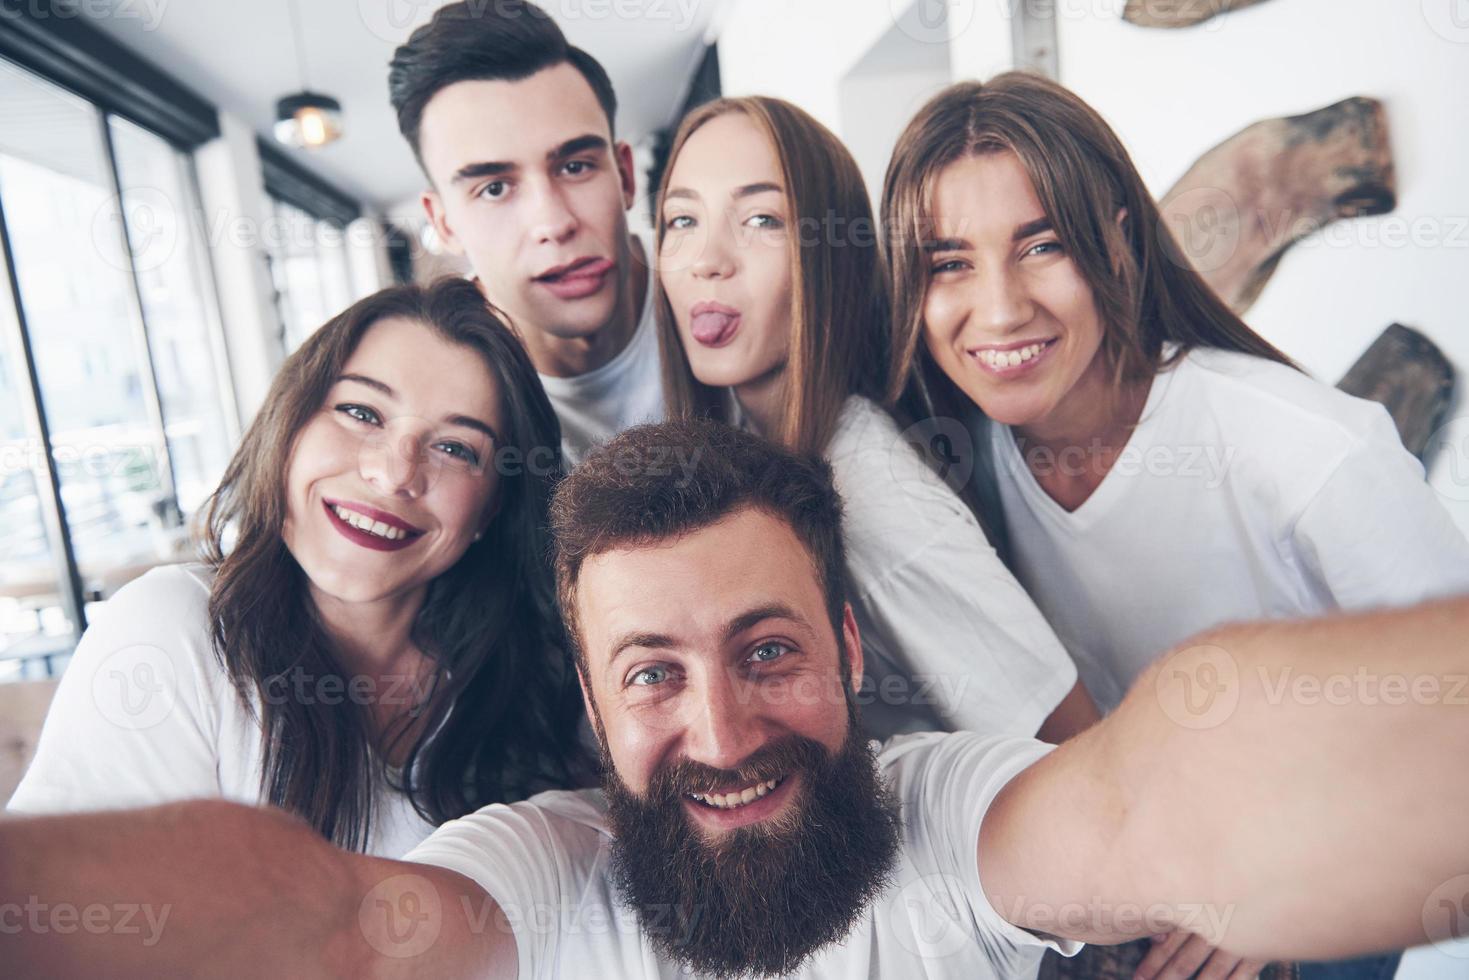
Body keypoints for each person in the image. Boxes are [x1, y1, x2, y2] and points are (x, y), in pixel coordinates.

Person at [5, 419, 1468, 980]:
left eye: (766, 652)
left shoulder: (936, 813)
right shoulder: (552, 871)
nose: (718, 735)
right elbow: (344, 930)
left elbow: (1160, 791)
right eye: (653, 674)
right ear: (589, 701)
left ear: (843, 642)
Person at [881, 71, 1469, 980]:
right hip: (1135, 890)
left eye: (1039, 247)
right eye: (948, 263)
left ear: (1117, 243)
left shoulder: (1307, 452)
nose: (996, 309)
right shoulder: (955, 464)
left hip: (1312, 888)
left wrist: (1271, 883)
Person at [6, 279, 587, 856]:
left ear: (492, 508)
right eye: (361, 412)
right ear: (289, 428)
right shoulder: (171, 632)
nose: (394, 473)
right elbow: (50, 923)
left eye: (457, 448)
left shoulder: (535, 674)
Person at [654, 95, 1097, 743]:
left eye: (760, 219)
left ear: (831, 256)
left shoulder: (869, 487)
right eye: (682, 219)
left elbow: (1069, 744)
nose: (707, 260)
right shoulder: (756, 445)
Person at [389, 0, 663, 466]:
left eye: (576, 167)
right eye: (494, 188)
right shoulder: (441, 396)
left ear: (625, 176)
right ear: (444, 224)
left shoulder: (721, 288)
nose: (554, 224)